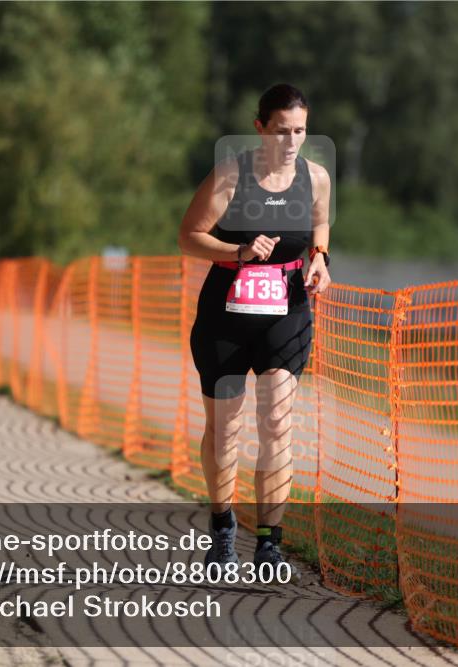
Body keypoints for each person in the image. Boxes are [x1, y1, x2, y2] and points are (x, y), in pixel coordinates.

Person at [178, 83, 332, 576]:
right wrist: (238, 253)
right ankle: (223, 529)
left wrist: (321, 259)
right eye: (282, 130)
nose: (291, 142)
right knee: (225, 432)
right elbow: (188, 237)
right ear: (259, 126)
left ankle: (270, 543)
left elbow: (320, 226)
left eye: (301, 131)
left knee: (277, 424)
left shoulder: (316, 178)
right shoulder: (230, 175)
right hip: (226, 312)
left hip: (286, 312)